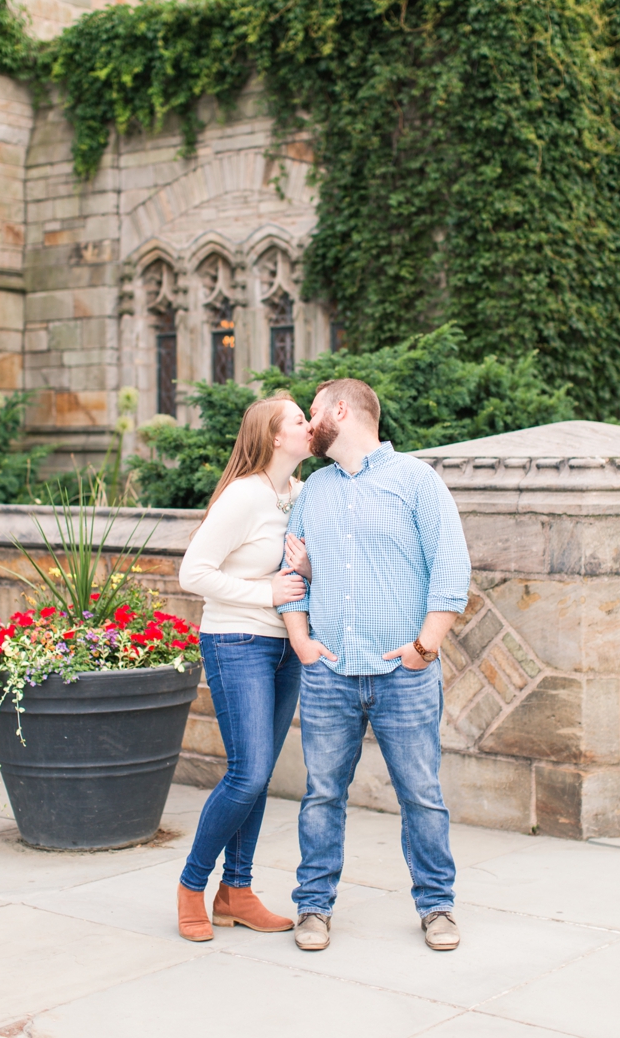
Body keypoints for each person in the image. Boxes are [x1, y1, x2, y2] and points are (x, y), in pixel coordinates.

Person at [276, 377, 470, 953]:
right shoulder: (315, 490)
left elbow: (451, 569)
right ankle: (313, 908)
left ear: (342, 410)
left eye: (314, 412)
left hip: (403, 675)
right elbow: (291, 577)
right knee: (321, 796)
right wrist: (303, 642)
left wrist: (425, 648)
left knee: (421, 795)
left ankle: (437, 906)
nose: (310, 425)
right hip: (329, 672)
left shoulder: (415, 482)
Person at [175, 393, 313, 941]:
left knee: (258, 778)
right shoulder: (243, 496)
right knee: (248, 773)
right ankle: (191, 886)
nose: (311, 426)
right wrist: (264, 591)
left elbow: (301, 576)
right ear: (275, 437)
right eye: (300, 420)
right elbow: (193, 573)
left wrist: (308, 567)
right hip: (236, 642)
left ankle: (236, 893)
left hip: (286, 648)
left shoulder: (299, 495)